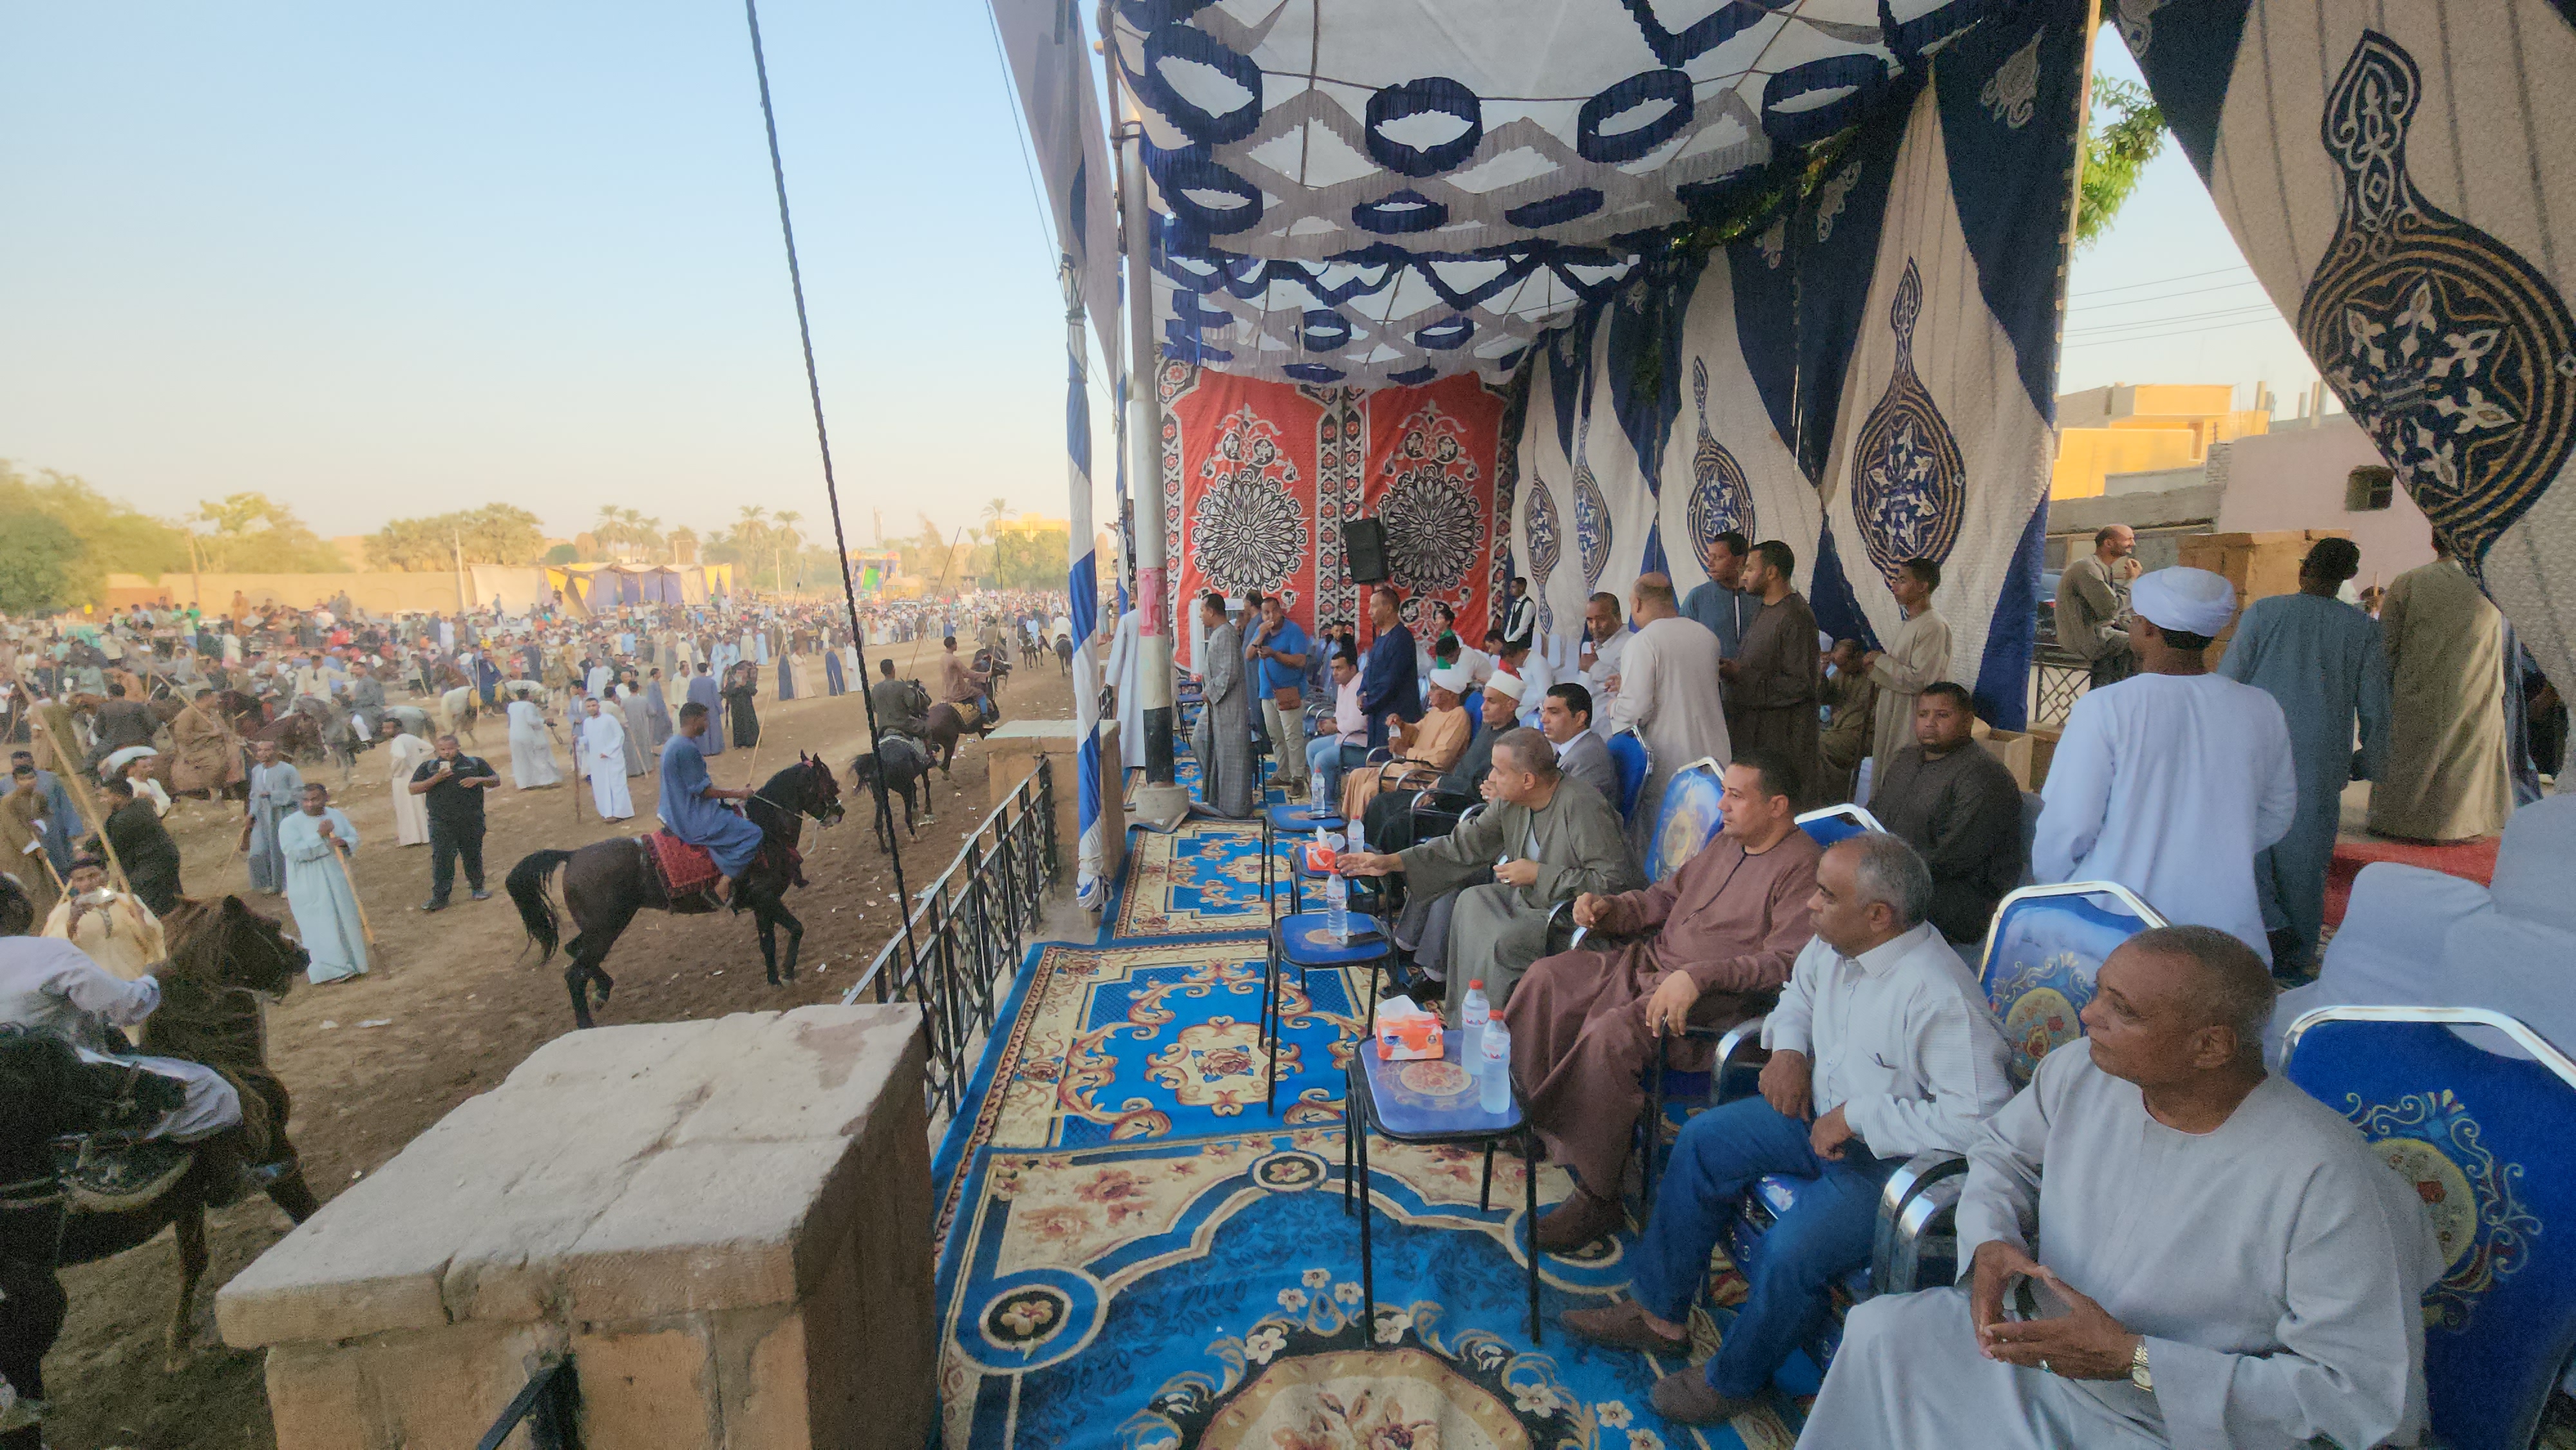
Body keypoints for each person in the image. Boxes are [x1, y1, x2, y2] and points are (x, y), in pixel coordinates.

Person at [1802, 927, 2440, 1450]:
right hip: (2038, 1347)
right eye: (2099, 992)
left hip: (2174, 1419)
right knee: (1882, 1331)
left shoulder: (2326, 1177)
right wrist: (1991, 1238)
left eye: (2122, 1010)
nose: (2087, 1014)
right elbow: (2002, 1152)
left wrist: (2134, 1359)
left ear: (2211, 1044)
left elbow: (2357, 1395)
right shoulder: (2082, 1070)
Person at [1561, 833, 2013, 1421]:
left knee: (1792, 1248)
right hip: (1813, 1117)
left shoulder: (1940, 995)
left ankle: (1736, 1378)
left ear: (1879, 915)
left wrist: (1858, 1117)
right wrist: (1790, 1052)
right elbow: (1796, 996)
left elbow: (1980, 1124)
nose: (1810, 904)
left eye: (1826, 894)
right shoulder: (1837, 944)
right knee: (1702, 1143)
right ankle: (1659, 1317)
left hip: (1889, 1163)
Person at [1504, 750, 1823, 1248]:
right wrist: (1609, 909)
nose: (1722, 806)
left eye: (1737, 796)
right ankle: (1528, 1120)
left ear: (1778, 805)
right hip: (1648, 963)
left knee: (1610, 1035)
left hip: (1709, 1006)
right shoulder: (1727, 843)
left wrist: (1700, 975)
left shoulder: (1803, 869)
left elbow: (1786, 963)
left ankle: (1598, 1193)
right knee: (1547, 978)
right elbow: (1664, 898)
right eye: (1724, 793)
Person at [2035, 567, 2298, 959]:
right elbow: (2277, 814)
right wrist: (2214, 845)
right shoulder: (2260, 708)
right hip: (2220, 932)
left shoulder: (2107, 707)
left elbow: (2068, 826)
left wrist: (2059, 889)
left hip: (2113, 928)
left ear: (2147, 629)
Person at [1343, 728, 1641, 1017]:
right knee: (1471, 901)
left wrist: (1539, 874)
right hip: (1533, 899)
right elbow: (1464, 844)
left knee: (1505, 940)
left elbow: (1614, 884)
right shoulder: (1512, 803)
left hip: (1573, 919)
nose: (1490, 778)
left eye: (1499, 771)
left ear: (1527, 779)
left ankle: (1497, 1032)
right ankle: (1464, 1019)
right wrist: (1393, 861)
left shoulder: (1582, 806)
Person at [2215, 538, 2392, 972]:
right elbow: (2376, 706)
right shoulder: (2362, 629)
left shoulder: (2265, 613)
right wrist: (2370, 761)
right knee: (2305, 867)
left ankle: (2246, 950)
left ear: (2303, 568)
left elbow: (2227, 683)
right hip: (2319, 762)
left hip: (2253, 754)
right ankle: (2296, 959)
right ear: (2349, 578)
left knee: (2247, 856)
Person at [2368, 533, 2512, 843]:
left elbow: (2387, 644)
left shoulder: (2409, 582)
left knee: (2411, 758)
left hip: (2416, 688)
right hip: (2474, 688)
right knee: (2464, 762)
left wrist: (2384, 690)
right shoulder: (2490, 583)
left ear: (2434, 544)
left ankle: (2398, 822)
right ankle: (2458, 825)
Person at [1870, 684, 2027, 950]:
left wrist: (1879, 874)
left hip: (1955, 898)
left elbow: (1953, 858)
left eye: (1942, 716)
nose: (1930, 724)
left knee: (1858, 907)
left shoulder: (1984, 776)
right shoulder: (1906, 760)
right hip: (1894, 876)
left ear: (1968, 720)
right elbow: (1873, 815)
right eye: (1923, 715)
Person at [1604, 573, 1733, 849]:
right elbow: (1680, 685)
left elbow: (1635, 711)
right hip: (1714, 754)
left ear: (1636, 604)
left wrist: (1615, 705)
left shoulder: (1643, 642)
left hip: (1670, 762)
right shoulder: (1706, 636)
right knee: (1706, 843)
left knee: (1666, 850)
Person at [1721, 540, 1822, 804]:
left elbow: (1801, 685)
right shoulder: (1765, 609)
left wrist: (1741, 674)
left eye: (1750, 569)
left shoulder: (1795, 616)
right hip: (1755, 736)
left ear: (1772, 573)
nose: (1743, 576)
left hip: (1781, 742)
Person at [659, 701, 764, 905]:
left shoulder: (672, 743)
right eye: (705, 720)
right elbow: (704, 791)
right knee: (754, 833)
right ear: (695, 720)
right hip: (692, 818)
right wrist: (739, 793)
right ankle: (723, 885)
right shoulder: (687, 749)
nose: (707, 725)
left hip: (671, 810)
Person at [1864, 556, 1953, 793]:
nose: (1895, 586)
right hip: (1892, 709)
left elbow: (1920, 680)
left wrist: (1879, 660)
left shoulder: (1933, 625)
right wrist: (1875, 670)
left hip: (1909, 715)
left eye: (1903, 580)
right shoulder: (1911, 622)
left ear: (1923, 586)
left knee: (1901, 776)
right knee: (1885, 775)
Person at [1341, 664, 1473, 824]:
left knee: (1369, 789)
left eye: (1433, 689)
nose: (1429, 694)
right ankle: (1347, 828)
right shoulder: (1435, 712)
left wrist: (1406, 752)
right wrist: (1401, 725)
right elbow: (1417, 731)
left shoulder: (1458, 717)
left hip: (1423, 779)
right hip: (1406, 770)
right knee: (1357, 775)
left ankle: (1362, 839)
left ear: (1450, 694)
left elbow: (1441, 759)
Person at [41, 854, 169, 1014]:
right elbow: (50, 952)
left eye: (93, 876)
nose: (88, 883)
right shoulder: (63, 913)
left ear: (106, 875)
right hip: (94, 992)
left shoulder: (128, 901)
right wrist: (71, 924)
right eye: (80, 880)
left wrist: (140, 920)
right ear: (74, 884)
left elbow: (154, 942)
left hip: (133, 983)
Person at [279, 782, 367, 984]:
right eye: (305, 800)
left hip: (337, 877)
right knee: (320, 925)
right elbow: (294, 852)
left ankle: (354, 963)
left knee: (345, 920)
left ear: (325, 798)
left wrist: (344, 842)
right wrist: (318, 836)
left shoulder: (336, 815)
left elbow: (353, 836)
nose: (310, 804)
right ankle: (330, 971)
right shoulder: (290, 824)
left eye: (315, 799)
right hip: (309, 884)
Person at [410, 733, 500, 911]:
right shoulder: (429, 767)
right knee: (442, 858)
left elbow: (496, 780)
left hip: (471, 819)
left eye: (450, 749)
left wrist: (478, 780)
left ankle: (478, 888)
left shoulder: (474, 764)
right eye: (442, 749)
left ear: (458, 747)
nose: (447, 753)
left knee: (472, 855)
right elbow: (413, 789)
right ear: (437, 750)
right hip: (441, 822)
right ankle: (440, 897)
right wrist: (437, 778)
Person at [1189, 593, 1256, 818]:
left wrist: (1210, 692)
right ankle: (1217, 797)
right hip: (1218, 705)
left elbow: (1230, 672)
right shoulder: (1221, 633)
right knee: (1204, 743)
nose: (1200, 616)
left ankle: (1235, 809)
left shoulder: (1225, 634)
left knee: (1231, 755)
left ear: (1211, 611)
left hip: (1228, 706)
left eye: (1202, 610)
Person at [2055, 524, 2138, 688]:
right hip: (2087, 639)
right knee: (2140, 645)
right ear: (2109, 543)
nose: (2133, 544)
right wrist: (2132, 580)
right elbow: (2110, 609)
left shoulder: (2103, 567)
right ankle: (2115, 698)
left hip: (2098, 633)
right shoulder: (2087, 568)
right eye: (2128, 539)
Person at [1246, 595, 1311, 795]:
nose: (1270, 616)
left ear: (1281, 611)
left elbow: (1300, 661)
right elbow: (1248, 656)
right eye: (1266, 612)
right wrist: (1259, 636)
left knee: (1293, 737)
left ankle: (1298, 777)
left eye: (1273, 611)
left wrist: (1274, 654)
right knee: (1276, 736)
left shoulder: (1293, 631)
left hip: (1289, 692)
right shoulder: (1262, 631)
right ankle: (1283, 773)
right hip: (1267, 693)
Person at [90, 777, 182, 915]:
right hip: (166, 858)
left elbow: (116, 850)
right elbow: (107, 829)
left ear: (118, 798)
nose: (103, 801)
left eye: (105, 797)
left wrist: (94, 858)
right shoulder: (140, 804)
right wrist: (88, 846)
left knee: (144, 905)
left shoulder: (125, 819)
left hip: (152, 866)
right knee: (171, 898)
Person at [1680, 531, 1765, 659]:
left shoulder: (1760, 597)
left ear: (1740, 561)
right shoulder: (1698, 597)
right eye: (1710, 557)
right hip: (1711, 676)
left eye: (1718, 558)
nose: (1710, 564)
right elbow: (1681, 642)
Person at [1303, 646, 1370, 805]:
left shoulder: (1360, 686)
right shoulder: (1343, 685)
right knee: (1312, 748)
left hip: (1360, 745)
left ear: (1353, 668)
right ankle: (1320, 797)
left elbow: (1358, 723)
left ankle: (1328, 804)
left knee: (1323, 759)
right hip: (1346, 737)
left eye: (1339, 668)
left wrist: (1335, 727)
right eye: (1333, 668)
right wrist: (1332, 722)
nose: (1334, 673)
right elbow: (1343, 716)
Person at [238, 737, 304, 896]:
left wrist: (274, 795)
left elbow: (299, 793)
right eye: (259, 750)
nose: (262, 753)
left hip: (282, 815)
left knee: (282, 850)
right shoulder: (256, 771)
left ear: (275, 752)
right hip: (262, 817)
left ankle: (288, 885)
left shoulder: (288, 770)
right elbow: (254, 795)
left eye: (266, 750)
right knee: (259, 851)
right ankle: (269, 884)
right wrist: (251, 815)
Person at [2, 750, 82, 878]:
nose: (27, 781)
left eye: (30, 776)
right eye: (22, 777)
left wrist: (73, 830)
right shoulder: (5, 791)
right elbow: (11, 826)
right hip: (23, 843)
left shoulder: (51, 780)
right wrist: (32, 846)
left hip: (52, 834)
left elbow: (64, 805)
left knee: (60, 868)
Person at [1816, 639, 1879, 805]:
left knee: (1821, 744)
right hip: (1840, 730)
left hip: (1864, 734)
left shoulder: (1874, 678)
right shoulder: (1841, 674)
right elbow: (1825, 697)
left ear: (1857, 657)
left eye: (1844, 664)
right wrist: (1821, 674)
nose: (1841, 668)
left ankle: (1835, 798)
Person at [1358, 586, 1420, 751]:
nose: (1369, 612)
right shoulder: (1381, 637)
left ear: (1389, 608)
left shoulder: (1401, 639)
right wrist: (1361, 692)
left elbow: (1391, 681)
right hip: (1377, 713)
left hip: (1394, 715)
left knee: (1387, 766)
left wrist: (1367, 701)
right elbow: (1369, 671)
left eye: (1374, 606)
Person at [1537, 682, 1620, 805]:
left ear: (1580, 718)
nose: (1543, 719)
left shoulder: (1588, 758)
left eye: (1554, 712)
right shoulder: (1575, 748)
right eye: (1543, 712)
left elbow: (1571, 810)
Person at [168, 688, 247, 800]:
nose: (218, 700)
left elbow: (225, 730)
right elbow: (182, 736)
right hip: (197, 749)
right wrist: (209, 734)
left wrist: (237, 739)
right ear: (207, 698)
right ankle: (213, 790)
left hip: (218, 745)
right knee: (216, 764)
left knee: (238, 753)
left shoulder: (213, 713)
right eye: (215, 698)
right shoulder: (188, 714)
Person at [577, 698, 635, 822]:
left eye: (594, 705)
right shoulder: (587, 722)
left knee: (616, 785)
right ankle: (607, 812)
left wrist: (608, 752)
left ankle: (621, 813)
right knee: (601, 786)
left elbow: (619, 736)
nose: (592, 708)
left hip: (612, 759)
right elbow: (589, 739)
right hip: (597, 761)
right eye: (589, 706)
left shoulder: (609, 719)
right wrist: (578, 740)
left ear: (598, 706)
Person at [384, 718, 437, 847]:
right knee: (419, 807)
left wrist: (396, 770)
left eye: (388, 728)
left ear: (398, 729)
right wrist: (418, 760)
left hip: (403, 779)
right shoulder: (409, 737)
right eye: (384, 728)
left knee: (406, 808)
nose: (385, 731)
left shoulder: (397, 741)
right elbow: (429, 748)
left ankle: (412, 838)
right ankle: (425, 835)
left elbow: (401, 756)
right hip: (416, 776)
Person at [1577, 592, 1630, 708]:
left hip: (1615, 723)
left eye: (1601, 619)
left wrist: (1594, 667)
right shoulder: (1594, 647)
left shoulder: (1631, 644)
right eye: (1590, 620)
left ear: (1618, 616)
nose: (1595, 626)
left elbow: (1631, 690)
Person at [505, 691, 563, 789]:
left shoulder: (512, 706)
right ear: (528, 696)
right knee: (537, 757)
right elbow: (532, 721)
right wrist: (545, 721)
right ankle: (545, 781)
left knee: (520, 759)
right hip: (528, 736)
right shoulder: (528, 706)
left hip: (514, 736)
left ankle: (524, 783)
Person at [938, 636, 990, 730]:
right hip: (958, 691)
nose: (957, 645)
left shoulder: (942, 658)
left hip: (945, 691)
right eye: (956, 643)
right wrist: (985, 675)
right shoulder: (954, 659)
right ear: (953, 645)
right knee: (980, 693)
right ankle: (985, 718)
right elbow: (967, 673)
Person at [871, 656, 927, 739]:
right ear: (893, 669)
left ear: (882, 671)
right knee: (926, 729)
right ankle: (928, 752)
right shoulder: (901, 686)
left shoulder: (875, 688)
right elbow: (912, 705)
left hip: (882, 728)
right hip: (903, 725)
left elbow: (874, 708)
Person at [617, 683, 652, 775]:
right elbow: (651, 712)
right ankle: (646, 767)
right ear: (638, 689)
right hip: (642, 727)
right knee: (643, 746)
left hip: (630, 727)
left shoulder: (624, 701)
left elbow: (619, 713)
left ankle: (633, 770)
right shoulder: (644, 700)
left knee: (631, 747)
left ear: (629, 690)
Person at [1499, 576, 1535, 653]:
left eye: (1513, 587)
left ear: (1522, 587)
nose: (1510, 590)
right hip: (1512, 644)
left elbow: (1523, 629)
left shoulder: (1528, 605)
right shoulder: (1515, 604)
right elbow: (1510, 624)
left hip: (1522, 645)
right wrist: (1506, 639)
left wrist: (1510, 642)